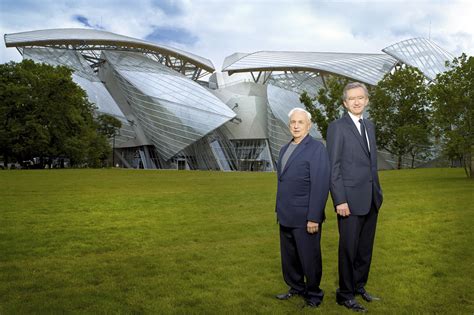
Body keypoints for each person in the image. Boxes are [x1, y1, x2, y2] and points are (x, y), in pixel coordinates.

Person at [326, 82, 383, 313]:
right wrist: (340, 200)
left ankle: (360, 287)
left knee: (364, 249)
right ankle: (345, 295)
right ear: (344, 103)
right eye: (352, 98)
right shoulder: (337, 127)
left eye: (361, 97)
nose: (357, 101)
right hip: (348, 201)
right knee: (348, 249)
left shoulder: (369, 125)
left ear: (367, 100)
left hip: (371, 198)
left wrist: (377, 193)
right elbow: (333, 167)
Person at [274, 107, 330, 308]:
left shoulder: (317, 149)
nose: (296, 126)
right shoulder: (284, 149)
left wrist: (314, 217)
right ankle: (296, 287)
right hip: (286, 214)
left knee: (309, 258)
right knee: (290, 257)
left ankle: (314, 294)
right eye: (293, 122)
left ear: (309, 125)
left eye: (300, 122)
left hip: (306, 216)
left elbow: (321, 184)